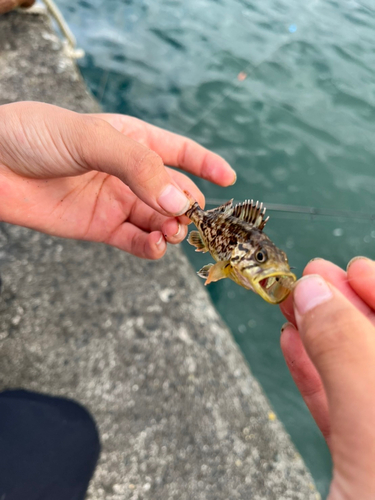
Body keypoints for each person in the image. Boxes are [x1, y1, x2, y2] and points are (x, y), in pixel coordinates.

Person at [1, 101, 375, 499]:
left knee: (72, 430)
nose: (273, 267)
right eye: (264, 259)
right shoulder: (221, 247)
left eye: (271, 261)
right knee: (72, 431)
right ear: (243, 258)